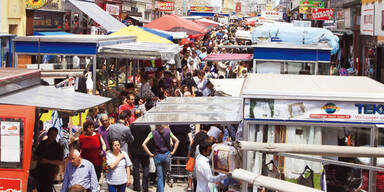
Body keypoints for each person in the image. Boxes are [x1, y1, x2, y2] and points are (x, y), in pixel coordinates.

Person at [142, 125, 180, 192]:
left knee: (160, 176)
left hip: (157, 156)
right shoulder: (168, 131)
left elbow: (143, 144)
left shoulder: (152, 133)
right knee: (164, 175)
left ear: (156, 125)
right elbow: (177, 141)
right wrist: (173, 151)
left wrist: (150, 153)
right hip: (167, 155)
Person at [34, 127, 64, 192]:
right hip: (38, 172)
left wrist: (47, 161)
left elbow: (60, 162)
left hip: (49, 173)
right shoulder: (42, 143)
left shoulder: (58, 147)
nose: (52, 136)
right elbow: (36, 154)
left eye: (54, 135)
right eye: (51, 134)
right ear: (48, 134)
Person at [130, 115, 151, 192]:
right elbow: (150, 138)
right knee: (145, 168)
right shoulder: (146, 125)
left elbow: (130, 139)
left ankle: (137, 187)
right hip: (145, 150)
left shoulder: (132, 125)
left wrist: (130, 149)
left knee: (136, 169)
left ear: (135, 116)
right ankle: (145, 187)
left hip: (135, 151)